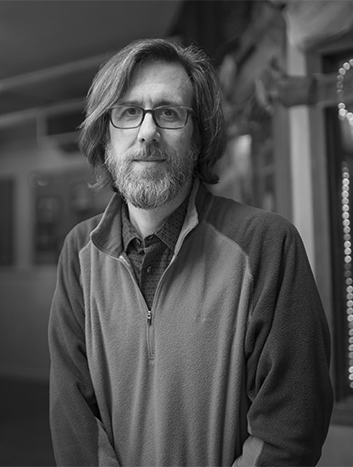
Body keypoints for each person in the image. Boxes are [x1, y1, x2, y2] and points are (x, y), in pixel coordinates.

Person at [48, 38, 333, 466]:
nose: (147, 132)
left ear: (198, 137)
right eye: (128, 112)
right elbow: (74, 422)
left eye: (169, 113)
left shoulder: (267, 245)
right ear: (105, 136)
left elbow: (291, 431)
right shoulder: (79, 254)